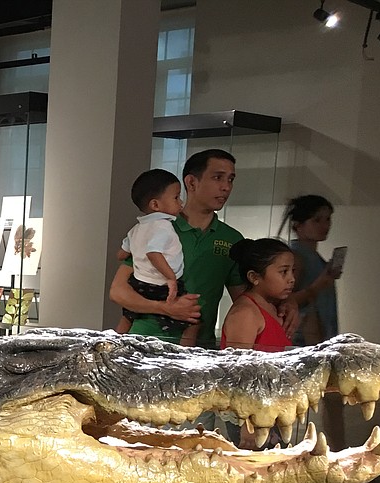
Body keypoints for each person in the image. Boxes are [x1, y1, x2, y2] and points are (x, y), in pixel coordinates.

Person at [109, 149, 255, 349]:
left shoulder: (231, 239)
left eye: (230, 179)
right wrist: (166, 309)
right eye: (217, 177)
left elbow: (244, 299)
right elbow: (118, 291)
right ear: (192, 182)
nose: (225, 187)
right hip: (142, 346)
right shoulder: (157, 227)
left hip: (197, 351)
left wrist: (287, 304)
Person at [279, 194, 345, 449]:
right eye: (317, 220)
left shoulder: (313, 258)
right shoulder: (296, 257)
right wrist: (319, 285)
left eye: (327, 219)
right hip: (306, 338)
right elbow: (289, 300)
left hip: (321, 335)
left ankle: (335, 449)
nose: (324, 225)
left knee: (331, 396)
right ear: (299, 224)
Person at [220, 237, 295, 449]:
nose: (291, 280)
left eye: (292, 272)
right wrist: (247, 424)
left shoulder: (277, 308)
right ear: (254, 277)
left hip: (270, 406)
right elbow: (238, 373)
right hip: (251, 414)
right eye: (283, 272)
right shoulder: (245, 313)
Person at [114, 168, 196, 345]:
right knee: (193, 318)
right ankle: (185, 353)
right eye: (176, 197)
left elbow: (121, 253)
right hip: (159, 285)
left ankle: (113, 343)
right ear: (155, 205)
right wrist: (171, 278)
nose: (181, 203)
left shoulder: (137, 228)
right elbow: (154, 253)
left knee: (128, 315)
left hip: (138, 282)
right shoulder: (163, 226)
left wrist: (132, 253)